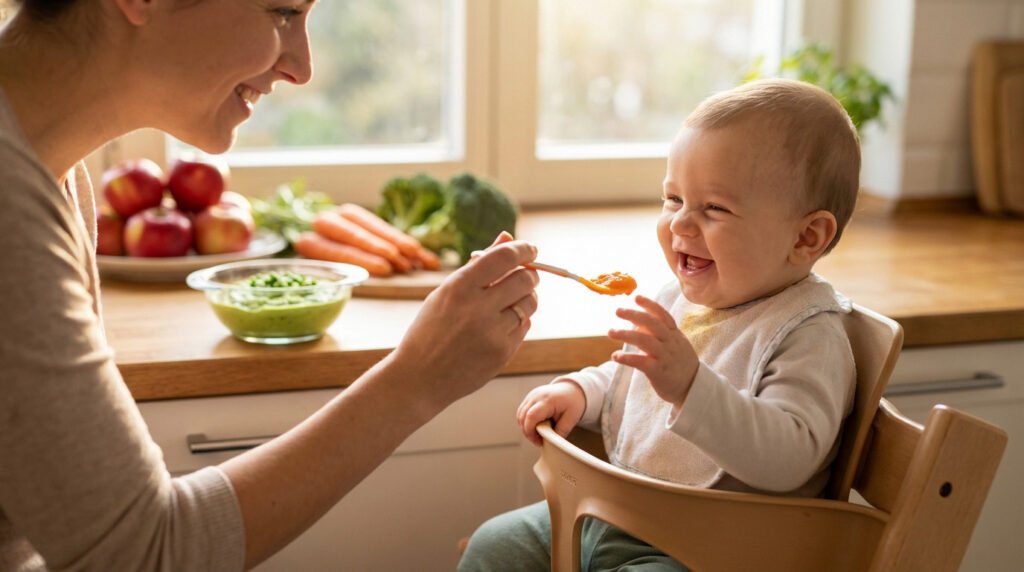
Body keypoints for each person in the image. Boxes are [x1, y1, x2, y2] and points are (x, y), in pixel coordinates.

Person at [0, 1, 539, 570]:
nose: (301, 68)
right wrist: (417, 379)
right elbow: (145, 554)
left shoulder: (52, 169)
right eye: (282, 12)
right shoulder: (11, 207)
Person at [459, 78, 861, 571]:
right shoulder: (680, 298)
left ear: (806, 237)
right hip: (614, 514)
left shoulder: (808, 335)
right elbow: (632, 378)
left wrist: (691, 388)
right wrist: (584, 392)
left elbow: (788, 457)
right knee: (495, 546)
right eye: (673, 199)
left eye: (714, 208)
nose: (680, 225)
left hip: (711, 551)